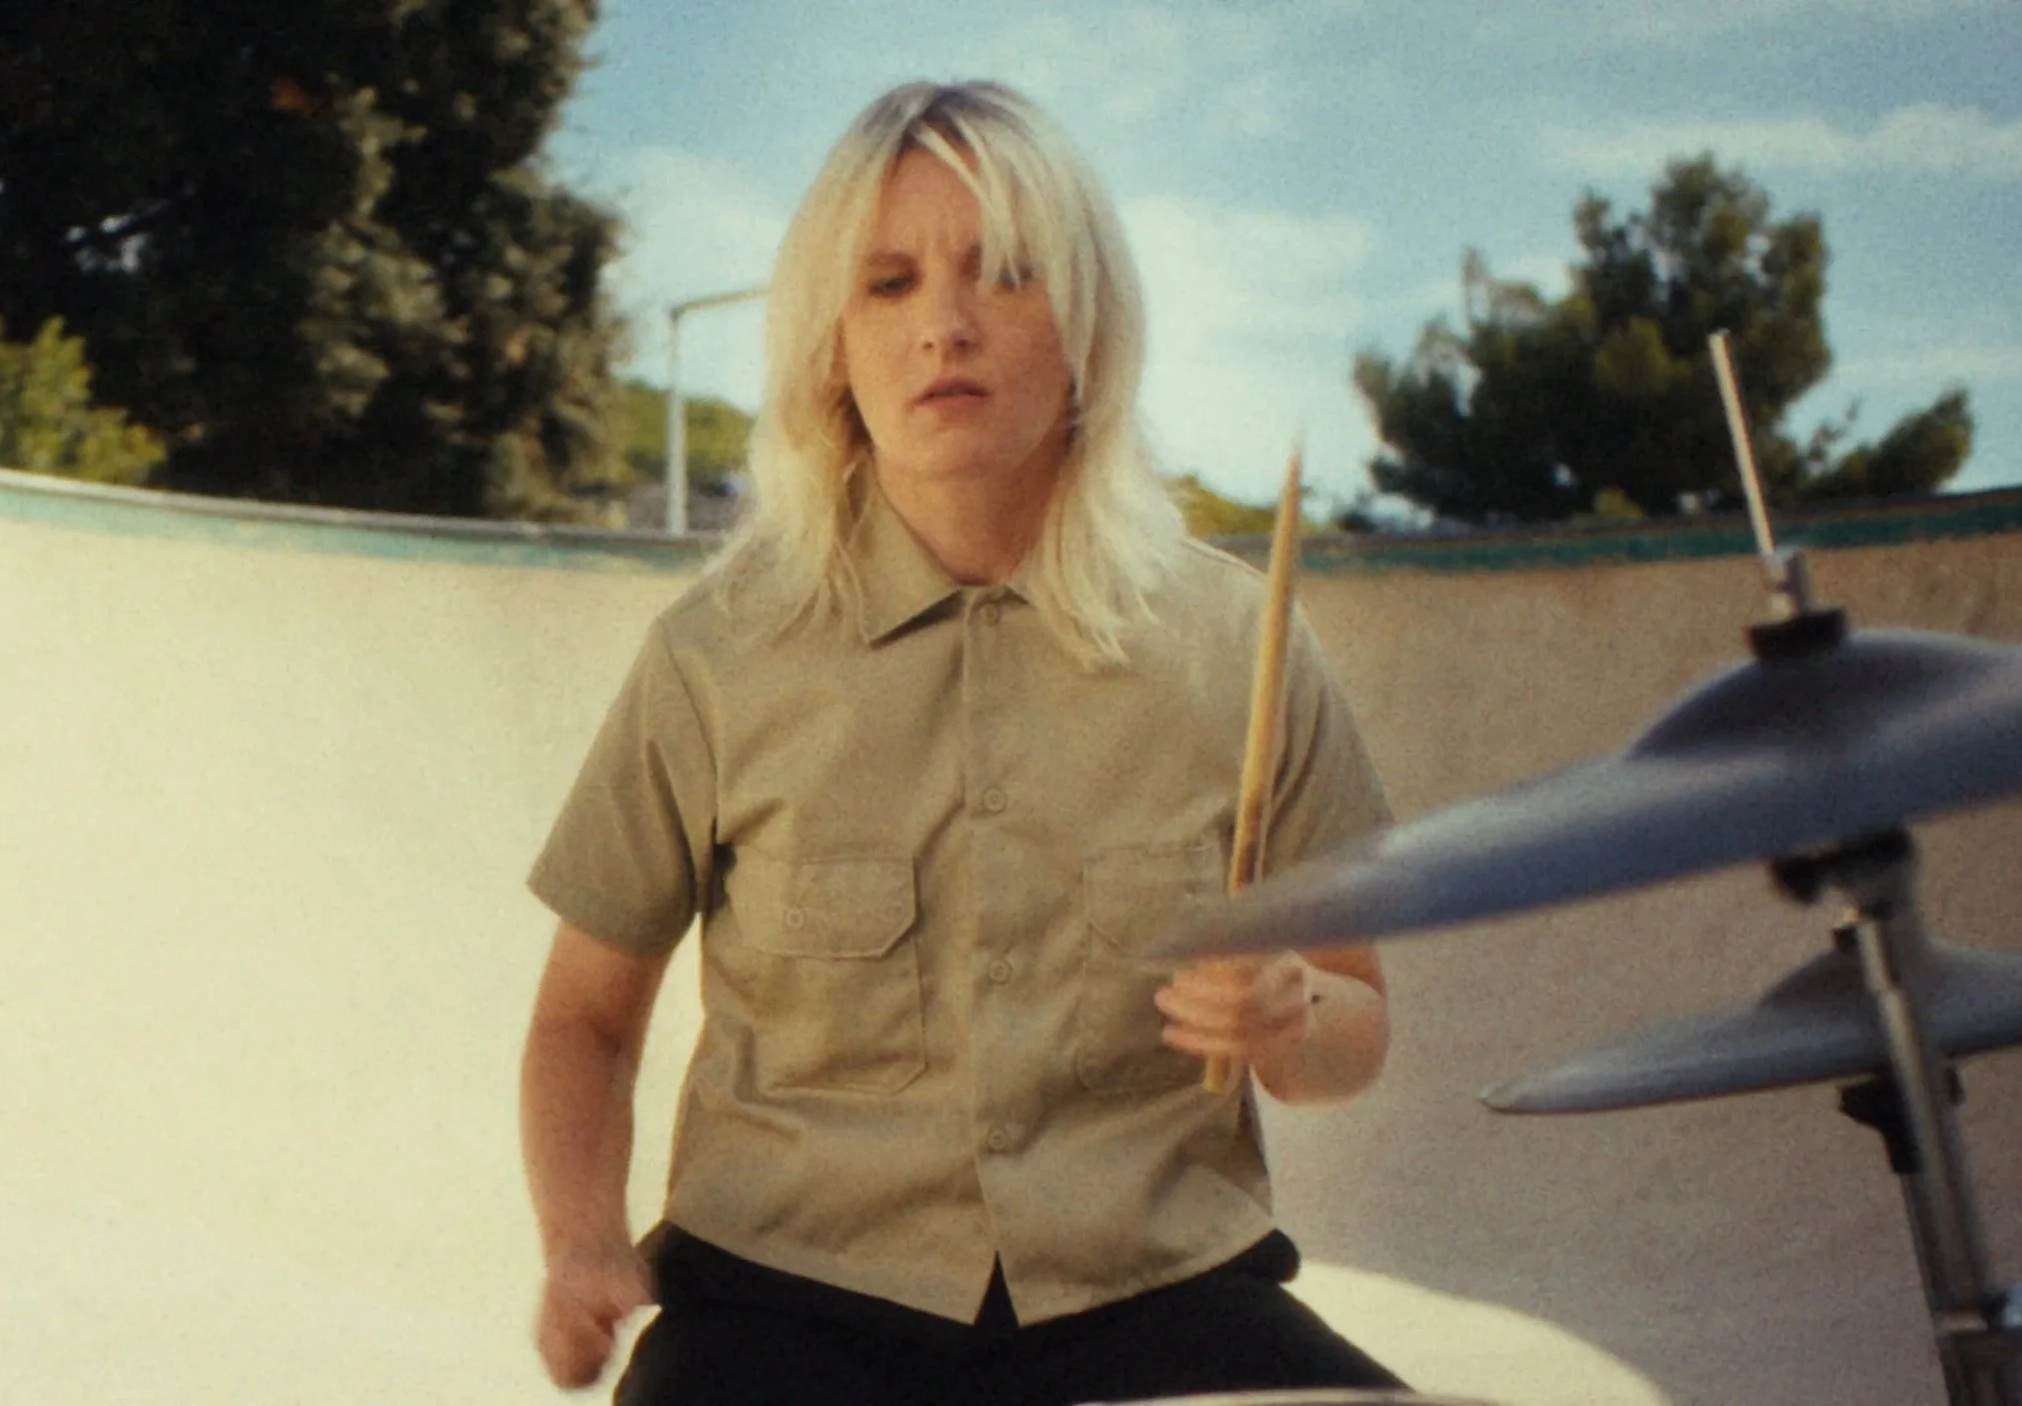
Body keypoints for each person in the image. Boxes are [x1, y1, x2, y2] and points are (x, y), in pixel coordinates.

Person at [520, 80, 1401, 1405]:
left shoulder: (1241, 643)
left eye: (1002, 273)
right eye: (887, 284)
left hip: (1157, 1291)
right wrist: (582, 1241)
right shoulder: (712, 653)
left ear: (1090, 327)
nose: (943, 325)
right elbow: (584, 1019)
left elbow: (1358, 1015)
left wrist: (1293, 1015)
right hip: (782, 1303)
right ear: (833, 346)